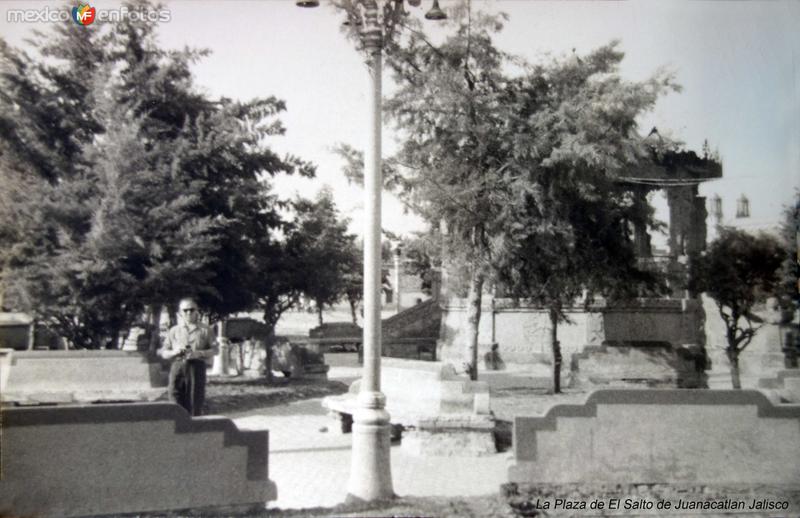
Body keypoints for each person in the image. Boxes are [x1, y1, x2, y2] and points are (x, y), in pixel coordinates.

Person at [158, 297, 218, 416]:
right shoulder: (174, 330)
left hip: (196, 366)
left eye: (192, 309)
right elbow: (164, 352)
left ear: (197, 311)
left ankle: (194, 428)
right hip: (177, 366)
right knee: (174, 396)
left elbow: (216, 350)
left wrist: (199, 353)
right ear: (180, 312)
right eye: (185, 310)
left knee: (195, 399)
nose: (189, 313)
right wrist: (174, 352)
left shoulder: (205, 330)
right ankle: (177, 427)